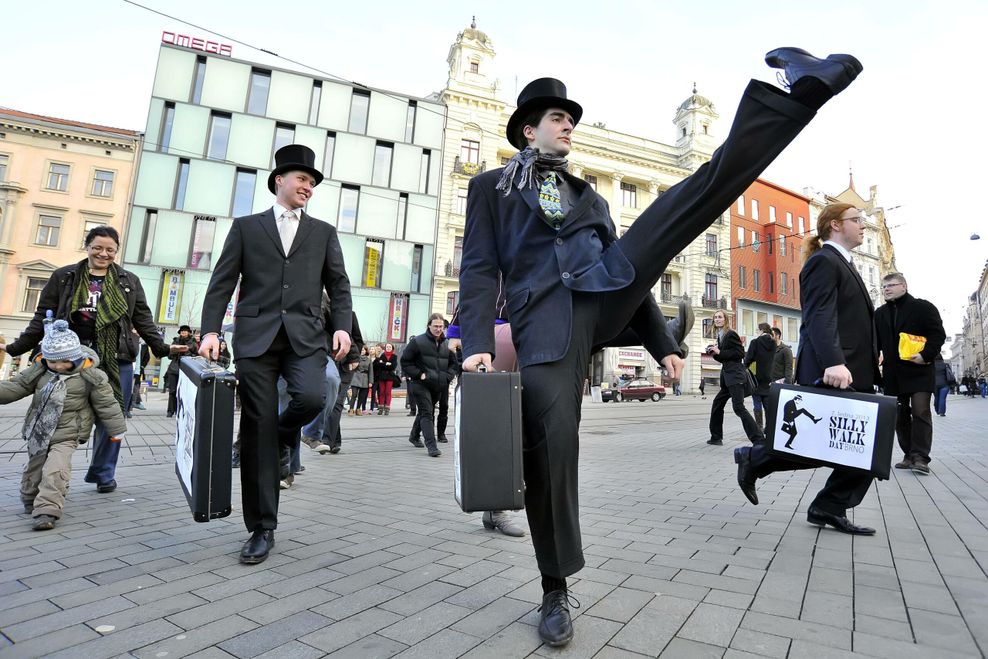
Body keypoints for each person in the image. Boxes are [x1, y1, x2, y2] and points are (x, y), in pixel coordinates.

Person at [458, 48, 862, 646]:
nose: (570, 124)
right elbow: (477, 267)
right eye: (558, 117)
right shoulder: (492, 188)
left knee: (695, 194)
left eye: (572, 118)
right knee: (551, 451)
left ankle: (798, 93)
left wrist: (660, 341)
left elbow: (634, 275)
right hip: (544, 326)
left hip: (602, 296)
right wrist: (474, 344)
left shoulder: (589, 198)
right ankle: (553, 586)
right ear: (528, 127)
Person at [199, 144, 352, 565]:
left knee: (312, 398)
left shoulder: (322, 232)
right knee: (255, 429)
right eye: (303, 179)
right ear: (280, 180)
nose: (309, 187)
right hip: (255, 340)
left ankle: (284, 434)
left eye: (313, 182)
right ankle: (261, 527)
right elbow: (222, 280)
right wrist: (210, 330)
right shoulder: (247, 227)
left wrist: (341, 325)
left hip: (305, 338)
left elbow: (338, 284)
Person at [735, 203, 881, 536]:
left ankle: (823, 503)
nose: (862, 226)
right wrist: (834, 361)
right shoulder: (823, 262)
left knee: (854, 445)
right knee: (845, 443)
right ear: (834, 225)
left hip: (851, 370)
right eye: (856, 220)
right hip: (834, 371)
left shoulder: (844, 263)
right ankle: (758, 462)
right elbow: (819, 316)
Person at [0, 225, 169, 494]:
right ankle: (48, 468)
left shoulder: (129, 281)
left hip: (116, 358)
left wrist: (164, 349)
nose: (103, 254)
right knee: (57, 412)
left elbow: (143, 321)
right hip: (67, 359)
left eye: (110, 249)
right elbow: (43, 315)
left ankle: (103, 473)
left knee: (111, 416)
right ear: (88, 246)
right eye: (98, 247)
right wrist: (14, 348)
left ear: (116, 251)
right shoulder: (64, 276)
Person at [3, 319, 126, 530]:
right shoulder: (40, 370)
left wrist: (116, 431)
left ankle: (47, 511)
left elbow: (107, 404)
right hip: (39, 431)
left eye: (64, 361)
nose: (58, 366)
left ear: (76, 356)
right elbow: (17, 386)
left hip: (68, 433)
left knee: (55, 469)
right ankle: (30, 498)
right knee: (35, 469)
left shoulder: (91, 376)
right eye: (53, 361)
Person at [875, 272, 946, 474]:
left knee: (921, 411)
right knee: (899, 415)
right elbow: (875, 344)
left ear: (904, 286)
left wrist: (925, 355)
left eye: (890, 285)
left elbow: (937, 334)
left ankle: (920, 457)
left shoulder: (923, 307)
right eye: (883, 286)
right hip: (893, 373)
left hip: (920, 370)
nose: (886, 289)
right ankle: (908, 454)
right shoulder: (879, 313)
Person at [400, 314, 458, 457]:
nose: (439, 329)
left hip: (438, 385)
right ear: (429, 326)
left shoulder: (447, 344)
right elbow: (405, 362)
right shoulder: (417, 342)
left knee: (424, 411)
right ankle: (432, 446)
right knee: (427, 412)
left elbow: (453, 364)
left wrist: (447, 376)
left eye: (441, 327)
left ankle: (414, 436)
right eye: (436, 326)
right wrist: (419, 374)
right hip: (420, 384)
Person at [708, 310, 765, 445]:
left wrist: (720, 351)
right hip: (728, 378)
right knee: (717, 404)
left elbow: (739, 353)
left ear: (726, 319)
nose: (717, 319)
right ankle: (716, 437)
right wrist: (714, 353)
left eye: (720, 317)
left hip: (735, 377)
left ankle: (759, 439)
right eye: (715, 317)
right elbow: (725, 358)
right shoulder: (720, 335)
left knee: (738, 408)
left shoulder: (731, 334)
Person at [743, 322, 777, 433]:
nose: (756, 332)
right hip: (769, 378)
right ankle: (769, 427)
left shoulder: (755, 342)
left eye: (757, 330)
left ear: (761, 330)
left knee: (757, 403)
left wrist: (745, 365)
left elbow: (748, 359)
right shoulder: (773, 343)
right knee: (767, 404)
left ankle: (759, 427)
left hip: (756, 378)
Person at [165, 326, 198, 418]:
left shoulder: (193, 342)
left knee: (184, 391)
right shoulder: (175, 341)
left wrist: (186, 351)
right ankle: (170, 410)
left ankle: (181, 410)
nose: (183, 333)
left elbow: (195, 354)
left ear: (188, 332)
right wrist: (177, 350)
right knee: (172, 390)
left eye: (185, 331)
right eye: (182, 331)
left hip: (186, 369)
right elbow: (169, 354)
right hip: (174, 368)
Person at [374, 343, 398, 415]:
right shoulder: (382, 355)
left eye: (389, 347)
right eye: (387, 347)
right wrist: (387, 364)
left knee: (388, 392)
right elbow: (379, 365)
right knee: (382, 392)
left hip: (390, 376)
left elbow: (393, 366)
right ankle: (381, 408)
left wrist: (384, 364)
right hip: (382, 376)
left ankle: (387, 407)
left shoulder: (394, 356)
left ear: (392, 348)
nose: (388, 348)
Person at [350, 346, 372, 415]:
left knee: (361, 396)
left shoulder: (369, 360)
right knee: (354, 395)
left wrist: (370, 381)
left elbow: (371, 372)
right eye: (361, 350)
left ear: (366, 351)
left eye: (363, 350)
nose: (362, 351)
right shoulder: (355, 358)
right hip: (355, 377)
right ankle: (351, 409)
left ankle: (358, 409)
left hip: (365, 379)